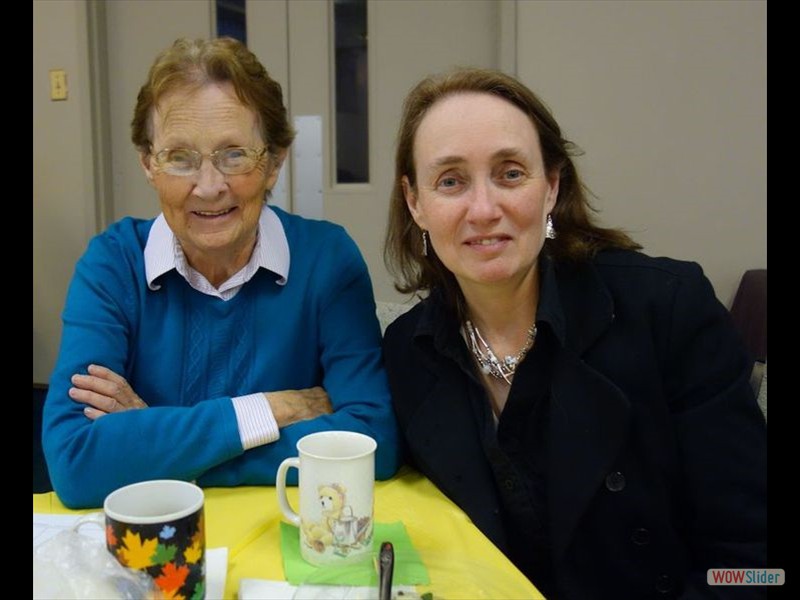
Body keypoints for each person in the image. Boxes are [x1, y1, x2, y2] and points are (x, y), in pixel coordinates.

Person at [382, 68, 766, 599]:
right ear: (415, 202)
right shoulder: (407, 352)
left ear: (552, 188)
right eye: (450, 181)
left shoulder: (668, 311)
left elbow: (757, 566)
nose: (484, 209)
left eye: (511, 173)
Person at [42, 37, 399, 509]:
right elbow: (75, 462)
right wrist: (273, 409)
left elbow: (374, 442)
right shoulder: (112, 265)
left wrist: (156, 446)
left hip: (285, 551)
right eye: (180, 157)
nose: (209, 187)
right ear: (149, 164)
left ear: (273, 163)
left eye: (234, 154)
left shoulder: (326, 259)